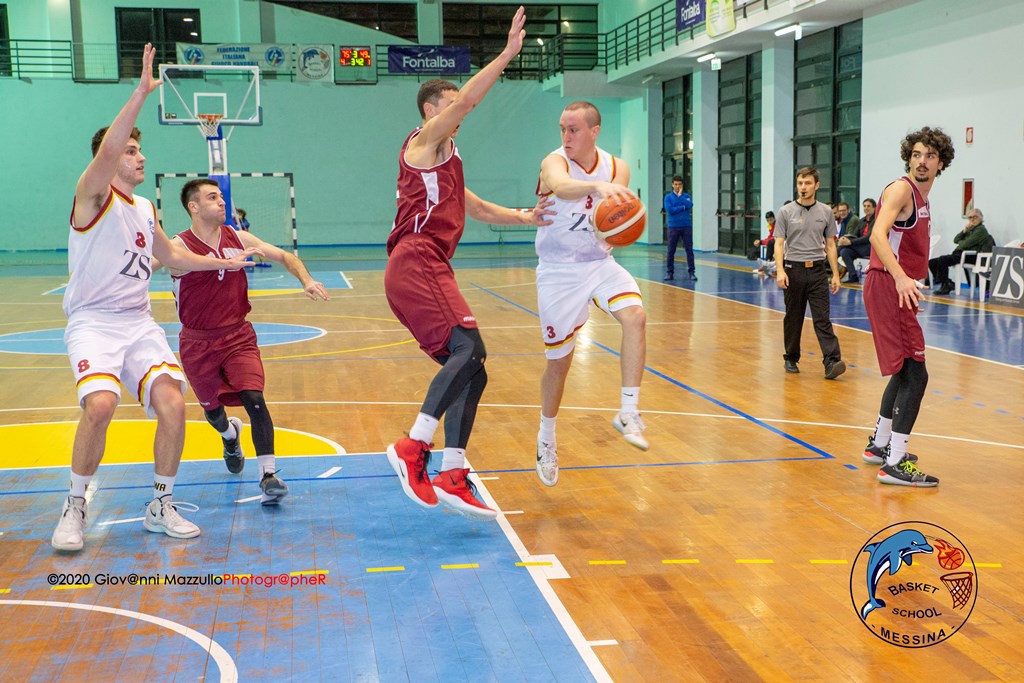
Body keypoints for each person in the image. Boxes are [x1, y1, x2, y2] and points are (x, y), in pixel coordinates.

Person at [52, 45, 258, 552]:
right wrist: (141, 92)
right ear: (109, 157)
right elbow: (105, 154)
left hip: (138, 323)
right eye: (131, 150)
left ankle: (160, 505)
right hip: (94, 323)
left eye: (140, 150)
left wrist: (224, 262)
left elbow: (174, 258)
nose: (140, 156)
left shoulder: (145, 206)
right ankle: (75, 505)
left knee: (172, 402)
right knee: (100, 404)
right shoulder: (91, 195)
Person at [383, 7, 553, 520]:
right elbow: (472, 100)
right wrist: (505, 55)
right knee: (469, 347)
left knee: (472, 370)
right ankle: (413, 447)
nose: (462, 108)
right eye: (453, 102)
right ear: (433, 108)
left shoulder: (448, 158)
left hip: (426, 266)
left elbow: (474, 208)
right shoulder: (423, 142)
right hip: (416, 260)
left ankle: (454, 470)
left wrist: (528, 217)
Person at [163, 178, 329, 504]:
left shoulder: (238, 237)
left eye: (221, 196)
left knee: (254, 397)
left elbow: (283, 256)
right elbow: (148, 263)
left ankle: (268, 475)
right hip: (197, 343)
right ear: (193, 207)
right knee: (213, 413)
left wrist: (306, 279)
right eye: (212, 198)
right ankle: (229, 436)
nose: (222, 202)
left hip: (238, 336)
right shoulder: (177, 246)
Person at [533, 100, 649, 488]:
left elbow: (617, 220)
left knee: (635, 316)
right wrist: (596, 186)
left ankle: (629, 411)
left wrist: (621, 225)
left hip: (598, 264)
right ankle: (547, 436)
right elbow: (563, 188)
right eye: (562, 128)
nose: (565, 137)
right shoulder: (555, 162)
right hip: (558, 271)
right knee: (559, 364)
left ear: (595, 131)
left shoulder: (618, 168)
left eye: (574, 130)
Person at [862, 127, 955, 486]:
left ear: (940, 163)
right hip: (889, 285)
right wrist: (901, 277)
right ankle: (896, 462)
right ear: (909, 158)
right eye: (916, 154)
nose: (922, 161)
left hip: (897, 286)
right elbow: (876, 234)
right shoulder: (902, 189)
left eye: (930, 156)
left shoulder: (923, 198)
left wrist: (909, 279)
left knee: (904, 370)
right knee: (917, 373)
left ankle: (880, 446)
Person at [773, 167, 846, 379]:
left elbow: (830, 245)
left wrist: (834, 274)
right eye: (800, 183)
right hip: (792, 269)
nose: (803, 187)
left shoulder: (825, 212)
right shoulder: (785, 212)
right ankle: (791, 358)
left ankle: (832, 362)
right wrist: (779, 270)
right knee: (793, 317)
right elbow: (779, 244)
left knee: (822, 318)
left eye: (807, 183)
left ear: (816, 185)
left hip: (816, 271)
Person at [927, 208, 995, 295]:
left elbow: (964, 244)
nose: (972, 220)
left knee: (942, 260)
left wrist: (961, 242)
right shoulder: (970, 229)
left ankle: (946, 285)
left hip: (970, 256)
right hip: (960, 254)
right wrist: (964, 231)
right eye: (970, 218)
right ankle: (948, 283)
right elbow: (955, 240)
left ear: (980, 218)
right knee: (932, 262)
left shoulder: (981, 230)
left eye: (975, 217)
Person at [663, 175, 696, 281]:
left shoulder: (686, 196)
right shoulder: (668, 197)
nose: (677, 186)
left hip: (686, 226)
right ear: (672, 185)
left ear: (682, 185)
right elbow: (670, 210)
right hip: (673, 227)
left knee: (689, 250)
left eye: (679, 184)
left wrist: (681, 196)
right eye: (676, 184)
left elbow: (690, 205)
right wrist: (682, 207)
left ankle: (692, 272)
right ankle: (669, 273)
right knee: (671, 251)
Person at [837, 198, 876, 283]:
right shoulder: (862, 220)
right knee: (844, 251)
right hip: (860, 247)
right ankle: (853, 276)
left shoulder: (877, 220)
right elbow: (854, 235)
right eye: (864, 206)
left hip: (871, 247)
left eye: (868, 206)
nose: (866, 208)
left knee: (842, 247)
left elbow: (868, 238)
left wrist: (850, 242)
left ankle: (827, 264)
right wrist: (846, 239)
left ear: (874, 208)